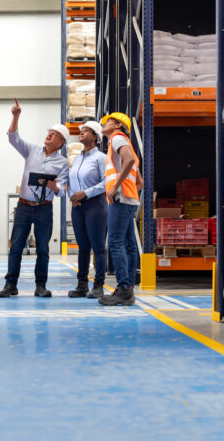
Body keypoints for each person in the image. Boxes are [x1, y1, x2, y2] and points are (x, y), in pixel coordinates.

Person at [0, 98, 70, 298]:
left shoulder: (63, 163)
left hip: (44, 209)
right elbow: (13, 138)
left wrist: (49, 183)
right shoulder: (31, 150)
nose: (49, 135)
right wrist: (15, 116)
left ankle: (41, 286)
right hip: (23, 207)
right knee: (16, 247)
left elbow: (61, 191)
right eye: (49, 132)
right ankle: (10, 285)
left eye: (54, 134)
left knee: (43, 249)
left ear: (61, 142)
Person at [98, 112, 143, 307]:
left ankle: (124, 288)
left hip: (121, 198)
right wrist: (127, 188)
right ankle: (128, 288)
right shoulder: (124, 141)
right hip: (130, 198)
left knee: (115, 243)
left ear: (117, 124)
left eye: (107, 121)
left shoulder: (116, 138)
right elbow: (140, 182)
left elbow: (130, 160)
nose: (103, 124)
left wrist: (116, 188)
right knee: (129, 244)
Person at [67, 121, 108, 299]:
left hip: (95, 205)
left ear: (96, 136)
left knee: (98, 247)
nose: (81, 133)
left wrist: (86, 193)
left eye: (86, 131)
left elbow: (107, 183)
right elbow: (71, 181)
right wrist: (72, 196)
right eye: (81, 131)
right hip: (78, 206)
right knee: (83, 247)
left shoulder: (101, 158)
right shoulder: (77, 158)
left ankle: (99, 285)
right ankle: (82, 284)